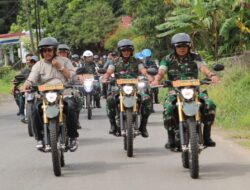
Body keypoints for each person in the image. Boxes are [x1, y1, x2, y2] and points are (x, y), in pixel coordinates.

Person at [151, 33, 219, 149]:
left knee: (210, 105)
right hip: (175, 91)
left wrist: (211, 75)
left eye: (184, 46)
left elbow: (203, 68)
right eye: (179, 46)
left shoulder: (195, 57)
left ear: (189, 47)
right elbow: (161, 71)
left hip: (195, 90)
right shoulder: (167, 59)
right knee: (168, 109)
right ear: (174, 47)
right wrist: (157, 80)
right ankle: (171, 137)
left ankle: (207, 136)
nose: (182, 49)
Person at [20, 37, 79, 151]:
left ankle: (73, 137)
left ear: (54, 50)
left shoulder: (65, 61)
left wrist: (60, 67)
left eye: (49, 50)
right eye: (44, 51)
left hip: (64, 93)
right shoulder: (38, 65)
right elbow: (31, 78)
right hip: (45, 95)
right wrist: (25, 85)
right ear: (41, 53)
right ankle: (40, 138)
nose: (46, 53)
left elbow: (72, 77)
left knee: (71, 107)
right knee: (35, 110)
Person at [102, 39, 153, 137]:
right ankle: (113, 124)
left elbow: (143, 70)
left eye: (128, 50)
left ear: (131, 51)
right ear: (120, 51)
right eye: (124, 50)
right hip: (119, 88)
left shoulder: (137, 61)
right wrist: (105, 77)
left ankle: (143, 125)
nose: (126, 52)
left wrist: (149, 76)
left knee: (147, 99)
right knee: (109, 100)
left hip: (135, 88)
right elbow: (109, 71)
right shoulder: (115, 62)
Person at [11, 53, 35, 123]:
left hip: (37, 87)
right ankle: (22, 112)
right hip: (27, 88)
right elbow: (17, 78)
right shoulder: (25, 70)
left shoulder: (37, 67)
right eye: (27, 60)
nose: (28, 61)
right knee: (18, 92)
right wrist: (13, 85)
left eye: (30, 60)